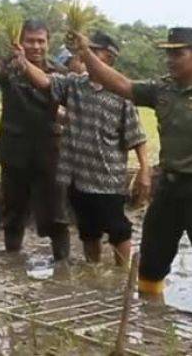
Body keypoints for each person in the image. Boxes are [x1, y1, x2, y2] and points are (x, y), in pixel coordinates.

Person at [31, 27, 192, 311]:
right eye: (168, 53)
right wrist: (86, 53)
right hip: (168, 189)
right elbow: (121, 84)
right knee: (152, 259)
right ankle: (152, 318)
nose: (170, 59)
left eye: (178, 53)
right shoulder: (162, 90)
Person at [29, 30, 151, 266]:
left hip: (108, 179)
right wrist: (23, 62)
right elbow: (45, 81)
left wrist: (145, 169)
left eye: (93, 51)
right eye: (87, 51)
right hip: (77, 176)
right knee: (88, 231)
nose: (87, 56)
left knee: (118, 230)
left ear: (108, 57)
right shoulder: (75, 84)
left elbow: (137, 136)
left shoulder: (121, 93)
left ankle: (122, 274)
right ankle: (94, 271)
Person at [0, 19, 70, 261]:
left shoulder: (59, 72)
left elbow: (68, 107)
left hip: (50, 150)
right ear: (20, 43)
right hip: (14, 149)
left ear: (48, 42)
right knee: (13, 211)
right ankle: (13, 259)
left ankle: (62, 262)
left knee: (56, 212)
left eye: (41, 41)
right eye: (30, 41)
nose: (36, 46)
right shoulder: (10, 66)